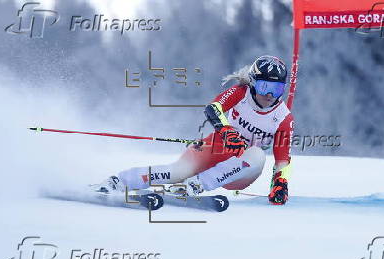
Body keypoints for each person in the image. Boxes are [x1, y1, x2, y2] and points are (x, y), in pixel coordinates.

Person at [92, 55, 294, 205]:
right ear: (253, 83)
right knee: (176, 171)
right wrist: (225, 130)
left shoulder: (283, 117)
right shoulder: (241, 93)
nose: (269, 94)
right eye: (264, 86)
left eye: (276, 89)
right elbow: (213, 108)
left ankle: (196, 185)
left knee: (258, 155)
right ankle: (118, 181)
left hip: (240, 172)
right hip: (215, 147)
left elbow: (282, 160)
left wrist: (280, 183)